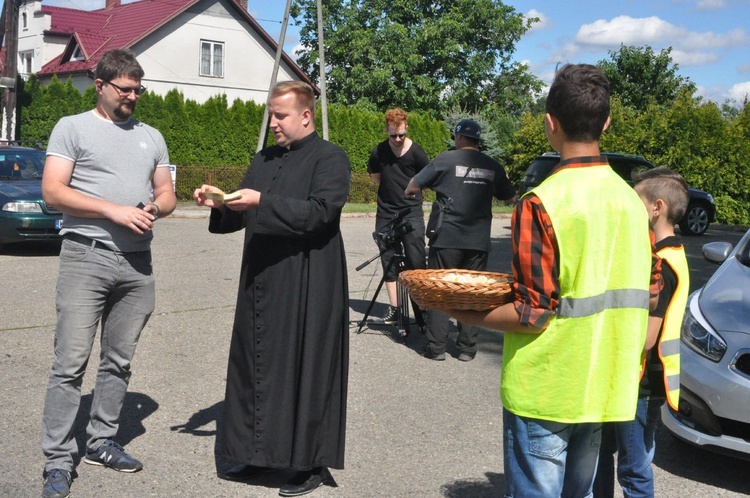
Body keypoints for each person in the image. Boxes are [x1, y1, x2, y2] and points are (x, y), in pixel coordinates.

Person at [445, 64, 662, 496]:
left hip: (546, 387)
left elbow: (533, 313)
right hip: (603, 384)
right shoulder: (632, 202)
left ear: (550, 123)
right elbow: (651, 294)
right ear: (607, 122)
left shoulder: (542, 202)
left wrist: (461, 309)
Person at [193, 81, 350, 497]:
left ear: (305, 116)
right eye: (271, 114)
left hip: (308, 280)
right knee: (255, 364)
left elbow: (322, 213)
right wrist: (220, 204)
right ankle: (255, 453)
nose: (274, 123)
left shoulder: (330, 157)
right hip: (262, 279)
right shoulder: (262, 158)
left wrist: (262, 201)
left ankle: (307, 463)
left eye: (280, 115)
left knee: (305, 367)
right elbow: (240, 212)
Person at [40, 48, 176, 498]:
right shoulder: (72, 128)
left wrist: (154, 206)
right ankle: (57, 461)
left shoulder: (151, 136)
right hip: (86, 256)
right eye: (124, 89)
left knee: (118, 362)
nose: (133, 97)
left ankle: (101, 441)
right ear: (99, 85)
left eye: (138, 90)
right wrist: (113, 211)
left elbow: (167, 194)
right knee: (70, 365)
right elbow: (53, 192)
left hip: (137, 264)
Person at [594, 167, 690, 498]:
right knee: (609, 452)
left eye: (637, 202)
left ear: (656, 207)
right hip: (649, 379)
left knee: (633, 467)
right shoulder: (675, 252)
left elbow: (648, 338)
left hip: (639, 381)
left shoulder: (660, 262)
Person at [404, 119, 516, 361]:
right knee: (474, 293)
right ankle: (467, 348)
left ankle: (436, 348)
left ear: (459, 138)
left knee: (439, 291)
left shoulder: (445, 159)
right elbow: (510, 197)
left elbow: (413, 185)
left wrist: (411, 191)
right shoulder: (492, 165)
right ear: (478, 140)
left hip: (447, 238)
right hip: (477, 240)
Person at [367, 108, 429, 328]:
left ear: (406, 129)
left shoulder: (417, 153)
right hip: (386, 213)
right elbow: (377, 178)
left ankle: (422, 312)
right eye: (393, 135)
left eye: (401, 134)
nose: (397, 139)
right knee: (389, 261)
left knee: (416, 262)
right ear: (387, 130)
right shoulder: (378, 152)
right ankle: (395, 309)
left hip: (411, 213)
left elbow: (426, 177)